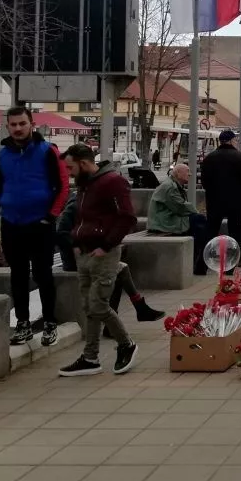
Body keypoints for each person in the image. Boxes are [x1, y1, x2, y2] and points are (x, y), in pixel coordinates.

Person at [0, 106, 70, 347]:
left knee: (43, 275)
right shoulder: (0, 157)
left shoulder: (48, 151)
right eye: (13, 125)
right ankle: (23, 324)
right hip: (11, 223)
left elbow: (63, 186)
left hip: (40, 224)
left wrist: (50, 217)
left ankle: (50, 323)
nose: (18, 128)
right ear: (8, 126)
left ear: (32, 124)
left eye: (22, 123)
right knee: (17, 276)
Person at [58, 144, 139, 376]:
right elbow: (80, 217)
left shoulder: (112, 182)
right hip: (84, 252)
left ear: (83, 163)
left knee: (98, 305)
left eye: (70, 167)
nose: (68, 173)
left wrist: (106, 246)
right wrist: (74, 242)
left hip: (103, 252)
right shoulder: (85, 184)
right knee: (89, 307)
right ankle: (90, 357)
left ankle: (126, 344)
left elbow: (127, 218)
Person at [57, 187, 165, 332]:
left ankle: (128, 314)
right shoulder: (76, 205)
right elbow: (61, 233)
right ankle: (136, 309)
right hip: (75, 260)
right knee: (120, 269)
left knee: (119, 270)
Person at [148, 164, 211, 275]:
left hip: (167, 219)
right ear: (178, 173)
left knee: (199, 223)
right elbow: (180, 207)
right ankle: (197, 264)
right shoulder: (170, 187)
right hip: (164, 222)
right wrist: (196, 211)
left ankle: (197, 263)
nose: (190, 174)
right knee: (199, 222)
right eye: (187, 171)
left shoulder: (173, 184)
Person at [201, 130, 241, 246]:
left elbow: (204, 181)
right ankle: (234, 259)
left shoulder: (209, 158)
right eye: (235, 140)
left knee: (211, 231)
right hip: (236, 202)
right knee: (235, 233)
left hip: (214, 202)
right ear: (231, 141)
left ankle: (207, 259)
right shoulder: (240, 158)